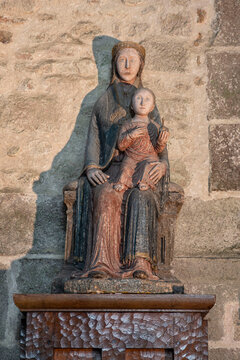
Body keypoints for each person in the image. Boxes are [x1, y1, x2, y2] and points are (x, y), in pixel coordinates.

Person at [73, 41, 169, 280]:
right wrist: (92, 166)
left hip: (144, 168)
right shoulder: (104, 100)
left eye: (132, 60)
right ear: (114, 65)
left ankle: (140, 264)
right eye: (122, 59)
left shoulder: (148, 100)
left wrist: (163, 164)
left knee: (142, 196)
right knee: (106, 195)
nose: (127, 64)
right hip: (113, 169)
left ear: (141, 66)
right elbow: (94, 135)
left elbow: (160, 137)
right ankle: (101, 265)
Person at [114, 87, 169, 192]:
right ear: (131, 106)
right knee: (126, 168)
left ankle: (145, 181)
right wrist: (131, 135)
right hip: (131, 157)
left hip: (149, 157)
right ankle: (123, 183)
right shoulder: (127, 125)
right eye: (138, 98)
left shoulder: (155, 126)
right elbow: (121, 146)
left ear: (152, 107)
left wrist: (161, 142)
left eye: (147, 99)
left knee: (149, 166)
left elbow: (157, 150)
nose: (142, 102)